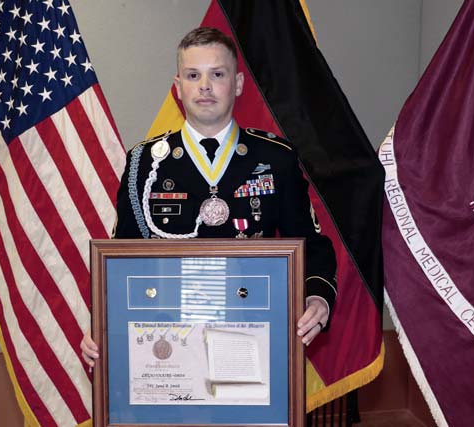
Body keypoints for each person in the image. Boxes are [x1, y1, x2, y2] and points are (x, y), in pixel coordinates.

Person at [81, 27, 337, 368]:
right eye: (193, 75)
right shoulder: (145, 163)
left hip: (251, 334)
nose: (204, 86)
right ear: (178, 87)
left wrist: (317, 296)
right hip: (166, 343)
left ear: (238, 84)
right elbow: (122, 258)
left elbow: (311, 245)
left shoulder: (276, 159)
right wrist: (102, 321)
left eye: (217, 74)